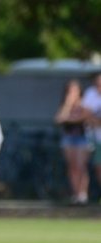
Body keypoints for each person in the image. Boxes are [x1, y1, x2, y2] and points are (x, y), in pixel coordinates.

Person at [54, 79, 92, 204]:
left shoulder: (85, 103)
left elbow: (85, 117)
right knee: (72, 167)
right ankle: (76, 194)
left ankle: (83, 194)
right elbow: (59, 119)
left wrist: (69, 119)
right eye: (69, 90)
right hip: (68, 138)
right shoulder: (65, 105)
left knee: (81, 166)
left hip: (82, 138)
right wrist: (68, 104)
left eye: (74, 90)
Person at [79, 73, 101, 202]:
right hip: (94, 138)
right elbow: (85, 115)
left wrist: (93, 119)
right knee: (97, 167)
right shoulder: (90, 93)